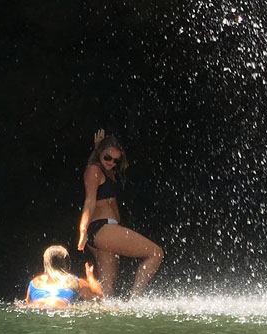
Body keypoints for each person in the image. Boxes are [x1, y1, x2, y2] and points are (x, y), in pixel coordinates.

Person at [76, 129, 164, 297]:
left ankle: (89, 306)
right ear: (100, 153)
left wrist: (97, 149)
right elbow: (89, 201)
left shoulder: (105, 169)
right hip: (101, 228)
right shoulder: (94, 170)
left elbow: (98, 161)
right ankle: (135, 299)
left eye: (115, 160)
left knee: (106, 290)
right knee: (156, 253)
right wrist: (82, 231)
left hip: (105, 230)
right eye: (107, 157)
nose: (111, 162)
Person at [25, 244, 103, 309]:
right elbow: (99, 297)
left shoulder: (34, 283)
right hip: (61, 307)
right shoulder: (75, 282)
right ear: (68, 264)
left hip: (37, 307)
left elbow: (27, 303)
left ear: (45, 264)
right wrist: (90, 276)